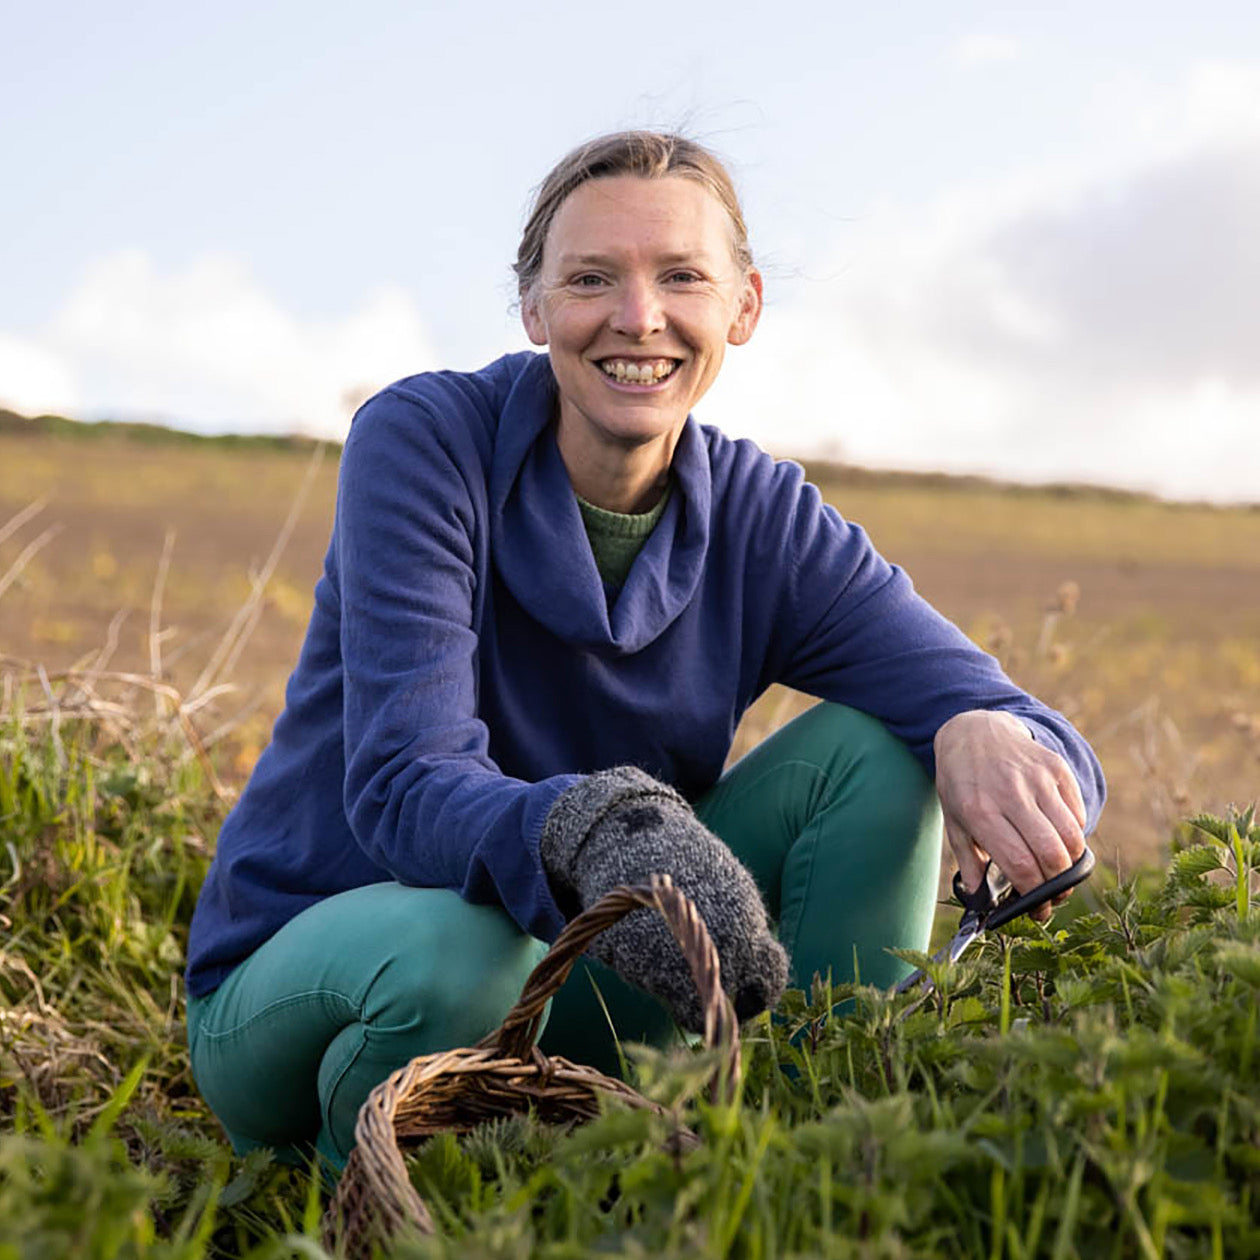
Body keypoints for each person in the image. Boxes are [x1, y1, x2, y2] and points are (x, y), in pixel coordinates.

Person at [184, 131, 1106, 1173]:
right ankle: (350, 1182)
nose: (638, 318)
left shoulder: (763, 516)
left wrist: (988, 731)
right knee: (465, 949)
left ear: (743, 306)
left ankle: (812, 1160)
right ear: (532, 307)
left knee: (889, 750)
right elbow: (403, 782)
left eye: (682, 277)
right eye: (591, 279)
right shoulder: (425, 441)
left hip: (574, 977)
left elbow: (1041, 736)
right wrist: (594, 831)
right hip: (320, 983)